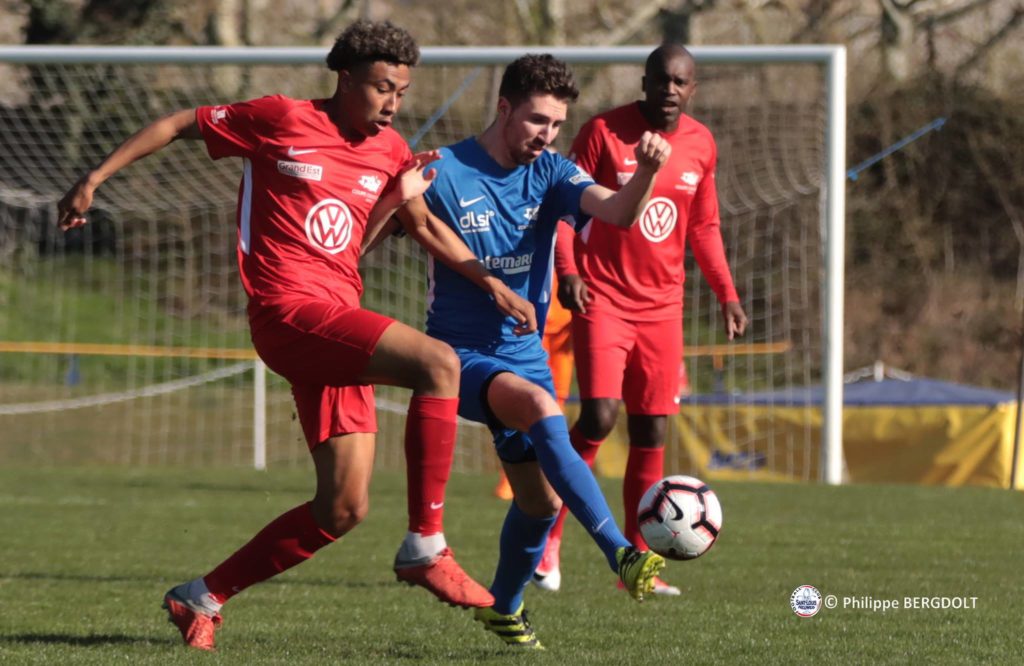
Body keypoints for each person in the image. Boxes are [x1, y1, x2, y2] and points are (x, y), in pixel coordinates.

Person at [56, 20, 532, 651]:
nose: (393, 102)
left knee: (342, 508)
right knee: (439, 364)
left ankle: (200, 597)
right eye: (382, 88)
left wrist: (489, 281)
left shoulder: (391, 150)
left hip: (337, 323)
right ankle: (426, 543)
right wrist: (95, 177)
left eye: (402, 91)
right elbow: (177, 123)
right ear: (345, 79)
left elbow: (411, 229)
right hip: (286, 313)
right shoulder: (280, 118)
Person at [376, 54, 671, 650]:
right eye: (537, 120)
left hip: (526, 355)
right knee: (540, 408)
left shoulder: (553, 172)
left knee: (540, 503)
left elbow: (618, 212)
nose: (547, 134)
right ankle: (621, 552)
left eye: (557, 124)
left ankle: (505, 607)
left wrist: (644, 174)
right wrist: (393, 199)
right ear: (504, 107)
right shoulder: (444, 170)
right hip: (462, 357)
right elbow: (379, 233)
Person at [533, 44, 748, 597]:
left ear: (692, 89)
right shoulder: (604, 132)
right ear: (645, 82)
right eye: (660, 80)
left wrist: (726, 293)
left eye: (680, 82)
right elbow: (565, 206)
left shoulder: (701, 144)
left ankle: (638, 563)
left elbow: (703, 226)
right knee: (599, 417)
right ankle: (547, 541)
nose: (669, 90)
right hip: (602, 296)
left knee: (652, 428)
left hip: (662, 308)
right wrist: (568, 270)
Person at [492, 243, 576, 501]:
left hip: (565, 322)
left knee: (557, 399)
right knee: (523, 398)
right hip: (528, 323)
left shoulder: (578, 229)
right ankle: (512, 476)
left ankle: (550, 472)